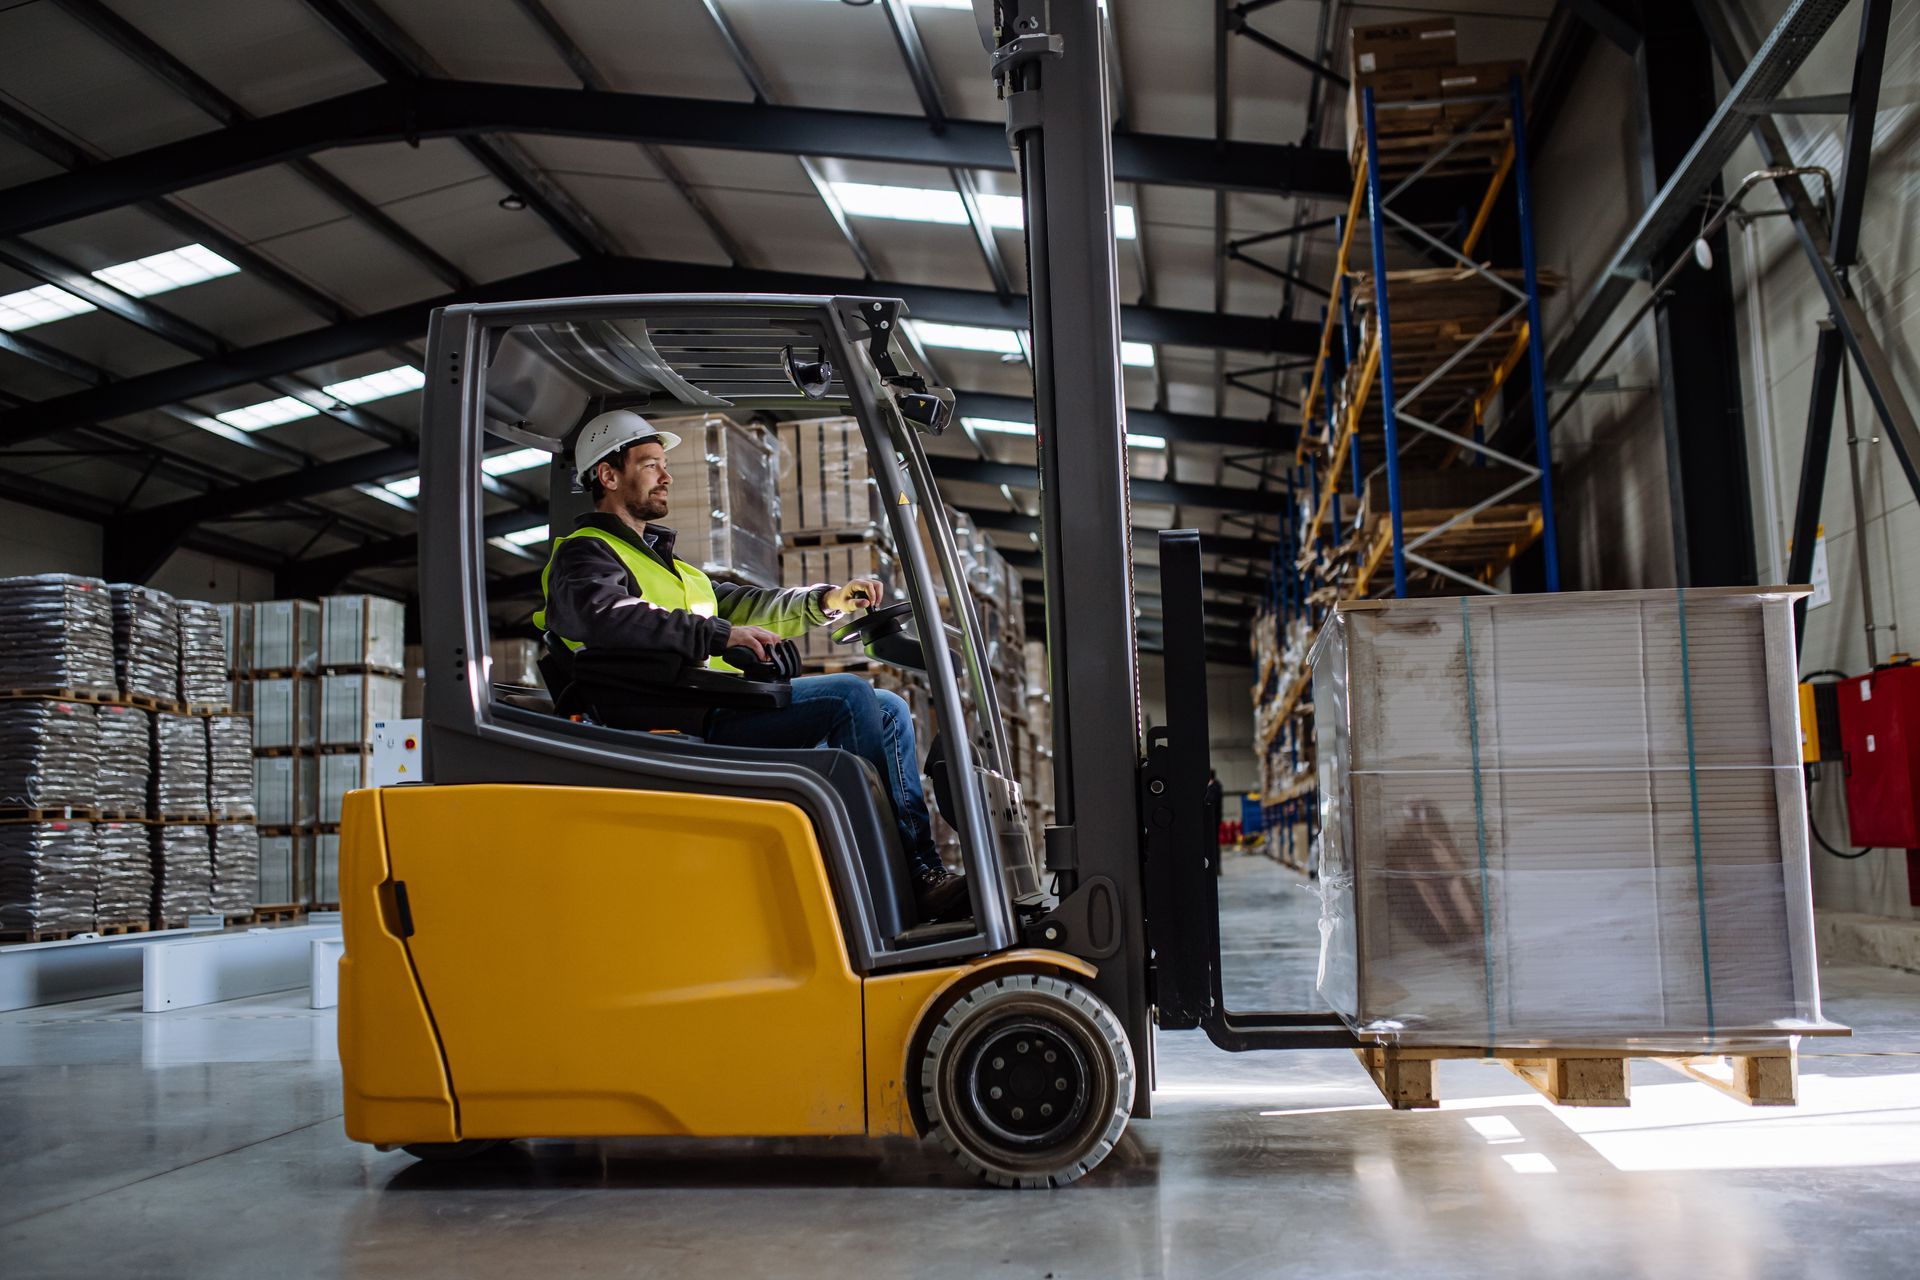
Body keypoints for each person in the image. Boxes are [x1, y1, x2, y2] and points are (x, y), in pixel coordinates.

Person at [533, 409, 969, 924]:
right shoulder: (585, 555)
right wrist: (719, 634)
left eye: (664, 465)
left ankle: (920, 871)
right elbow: (606, 617)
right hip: (671, 720)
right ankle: (881, 887)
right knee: (850, 696)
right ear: (608, 476)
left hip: (709, 704)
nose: (667, 476)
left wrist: (827, 599)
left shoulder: (672, 568)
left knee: (890, 706)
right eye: (651, 465)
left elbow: (746, 606)